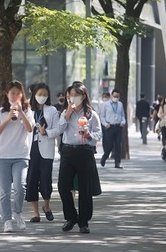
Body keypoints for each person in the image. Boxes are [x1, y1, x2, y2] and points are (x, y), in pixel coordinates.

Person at [58, 81, 102, 234]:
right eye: (70, 96)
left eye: (76, 95)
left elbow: (99, 133)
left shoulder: (91, 114)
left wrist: (89, 135)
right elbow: (59, 129)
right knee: (63, 186)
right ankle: (71, 216)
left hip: (85, 151)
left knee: (85, 188)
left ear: (83, 96)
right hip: (68, 151)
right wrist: (67, 114)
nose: (73, 98)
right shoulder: (65, 113)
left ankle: (84, 221)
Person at [0, 80, 34, 233]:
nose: (15, 96)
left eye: (18, 93)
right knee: (5, 191)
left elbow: (30, 129)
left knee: (20, 187)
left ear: (22, 95)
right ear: (7, 94)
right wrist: (8, 117)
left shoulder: (28, 111)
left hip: (21, 155)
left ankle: (18, 212)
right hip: (2, 156)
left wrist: (21, 112)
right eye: (12, 93)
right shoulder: (0, 112)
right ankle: (7, 220)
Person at [26, 83, 60, 223]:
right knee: (31, 179)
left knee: (46, 179)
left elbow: (58, 129)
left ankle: (46, 206)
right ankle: (36, 213)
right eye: (40, 94)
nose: (42, 97)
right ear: (34, 94)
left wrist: (46, 132)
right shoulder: (27, 108)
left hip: (46, 149)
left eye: (45, 95)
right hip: (30, 148)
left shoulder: (52, 110)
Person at [99, 88, 126, 168]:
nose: (115, 98)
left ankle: (117, 163)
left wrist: (123, 122)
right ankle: (104, 158)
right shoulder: (105, 104)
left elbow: (122, 115)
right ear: (111, 96)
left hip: (118, 126)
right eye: (114, 96)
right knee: (109, 146)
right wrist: (105, 124)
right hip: (109, 127)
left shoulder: (120, 104)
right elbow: (102, 116)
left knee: (118, 145)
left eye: (117, 96)